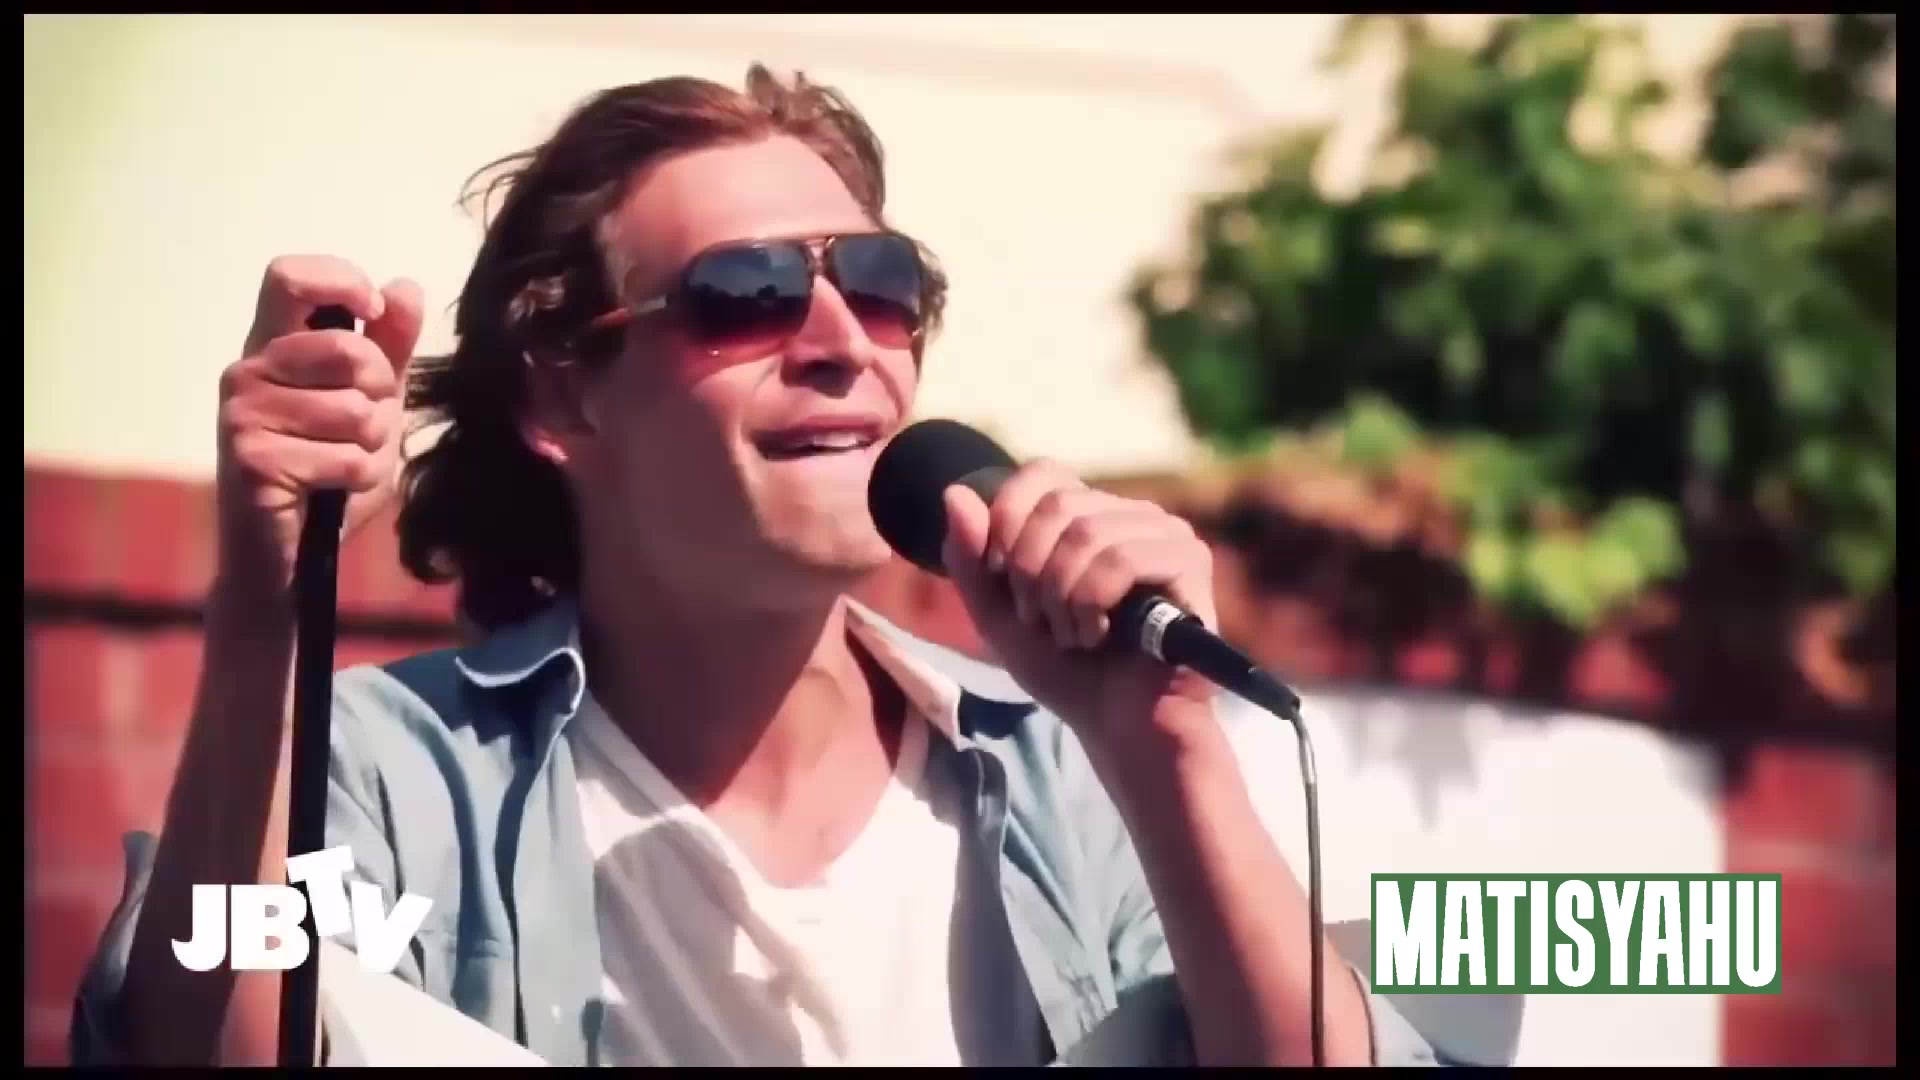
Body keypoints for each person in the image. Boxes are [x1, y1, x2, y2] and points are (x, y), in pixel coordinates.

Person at [69, 65, 1437, 1067]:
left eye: (883, 284)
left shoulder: (1070, 772)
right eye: (747, 293)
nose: (843, 342)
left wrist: (1170, 748)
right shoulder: (387, 771)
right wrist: (267, 613)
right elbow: (210, 1038)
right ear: (563, 398)